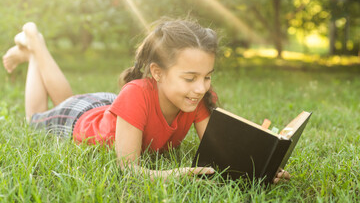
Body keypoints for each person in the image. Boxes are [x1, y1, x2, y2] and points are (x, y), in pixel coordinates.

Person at [2, 20, 290, 183]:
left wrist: (260, 167)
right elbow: (128, 168)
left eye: (207, 77)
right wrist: (174, 174)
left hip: (113, 108)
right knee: (39, 115)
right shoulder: (138, 93)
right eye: (190, 78)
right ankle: (34, 46)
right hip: (81, 122)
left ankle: (32, 49)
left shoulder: (197, 97)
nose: (201, 88)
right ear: (157, 73)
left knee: (67, 96)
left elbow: (224, 151)